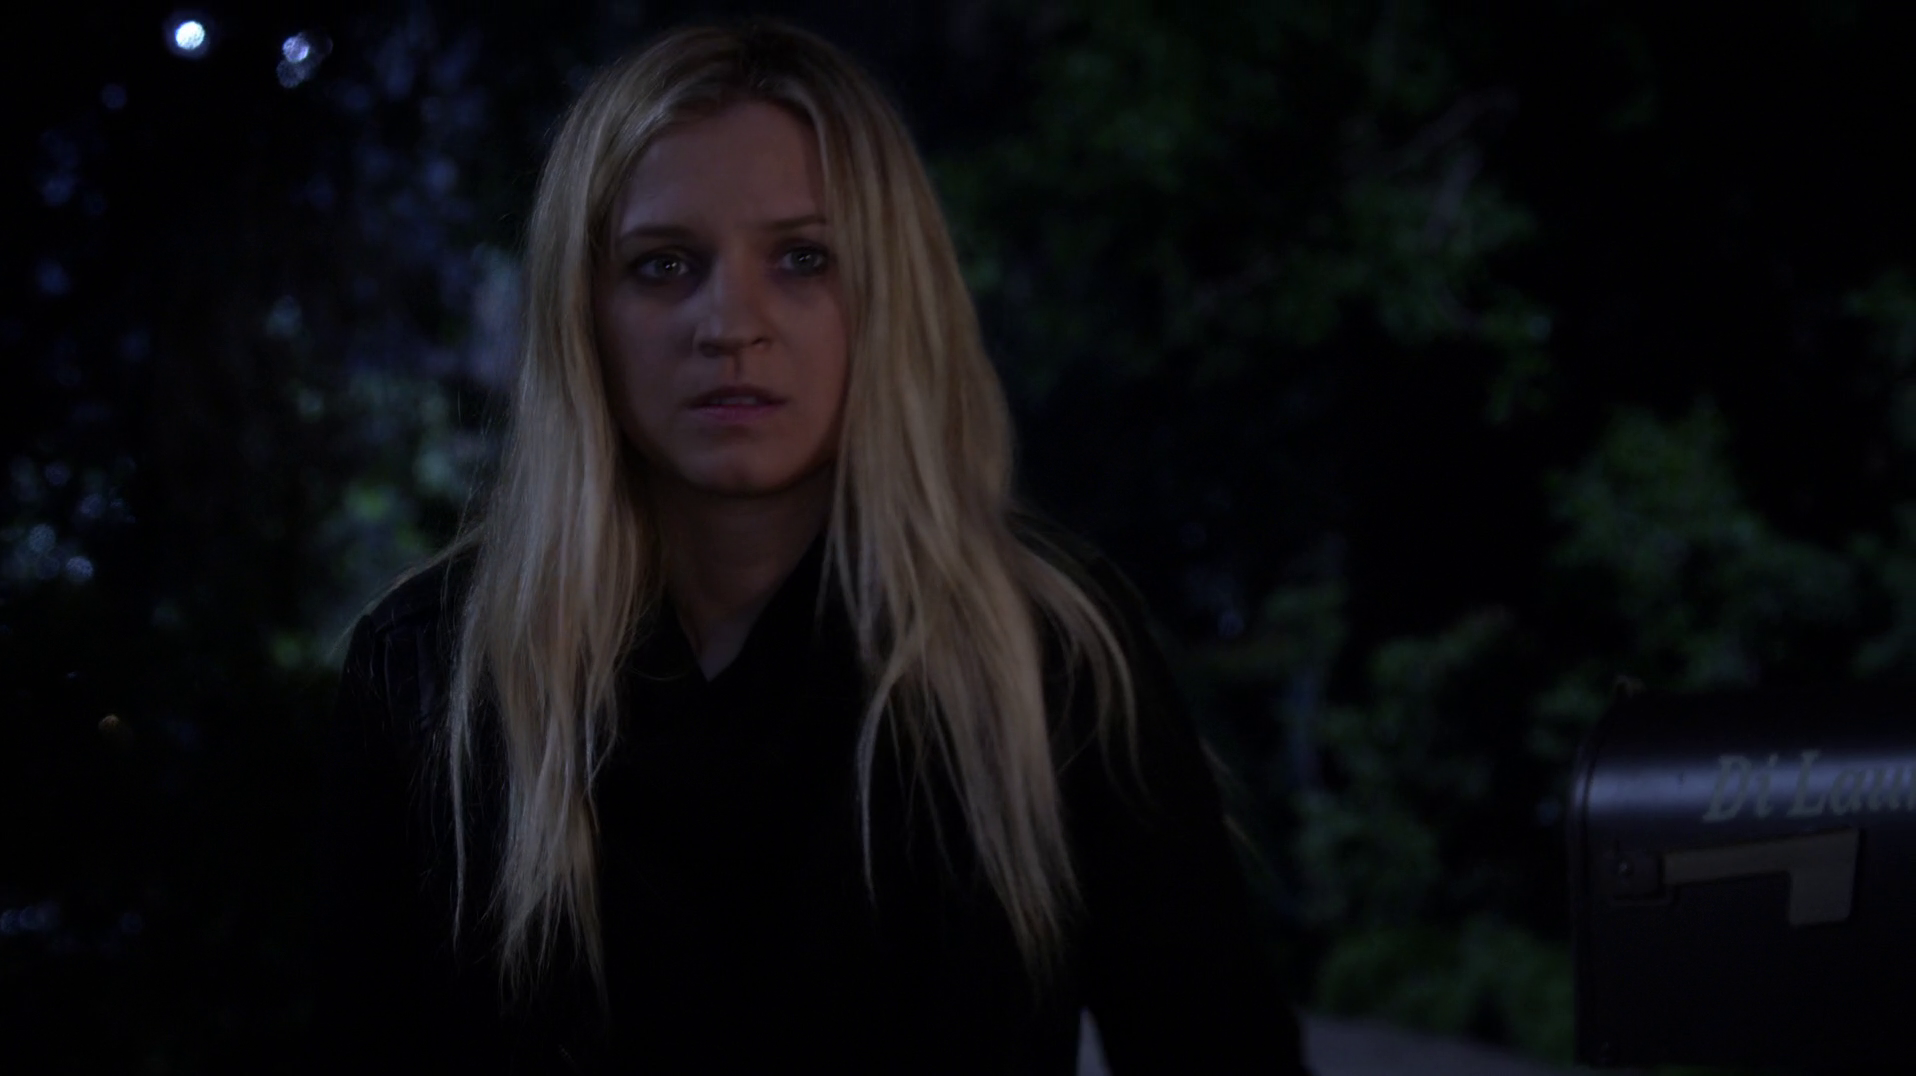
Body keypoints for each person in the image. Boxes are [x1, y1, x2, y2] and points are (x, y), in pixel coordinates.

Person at [315, 19, 1308, 1074]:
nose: (730, 324)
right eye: (663, 264)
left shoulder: (1043, 657)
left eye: (803, 258)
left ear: (890, 292)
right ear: (582, 311)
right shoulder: (432, 674)